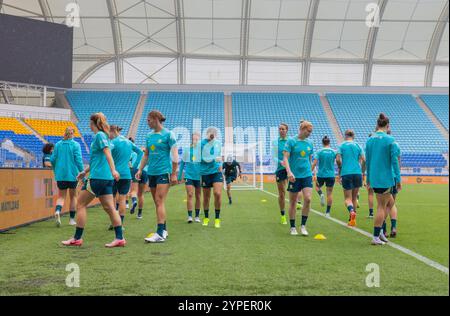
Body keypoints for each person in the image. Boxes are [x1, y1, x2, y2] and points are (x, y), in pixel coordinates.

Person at [62, 113, 125, 248]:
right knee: (109, 207)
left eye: (90, 123)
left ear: (94, 123)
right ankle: (119, 238)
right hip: (106, 178)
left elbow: (108, 154)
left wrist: (114, 170)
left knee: (80, 205)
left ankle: (77, 238)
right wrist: (84, 172)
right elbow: (98, 159)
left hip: (98, 178)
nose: (89, 126)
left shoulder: (100, 136)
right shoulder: (105, 136)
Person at [136, 110, 178, 243]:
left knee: (159, 201)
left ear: (155, 119)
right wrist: (140, 169)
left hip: (163, 172)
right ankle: (164, 230)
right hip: (151, 173)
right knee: (157, 202)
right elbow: (146, 155)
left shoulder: (169, 134)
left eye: (148, 120)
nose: (147, 122)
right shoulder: (148, 136)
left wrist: (174, 173)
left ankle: (159, 233)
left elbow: (175, 156)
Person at [366, 113, 401, 246]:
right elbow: (394, 162)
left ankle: (380, 232)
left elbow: (368, 161)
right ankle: (375, 236)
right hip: (386, 178)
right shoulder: (390, 140)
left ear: (377, 125)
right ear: (387, 125)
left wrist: (368, 178)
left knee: (390, 203)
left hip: (375, 177)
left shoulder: (370, 140)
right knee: (382, 206)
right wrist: (398, 179)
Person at [283, 120, 314, 236]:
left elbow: (310, 158)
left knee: (308, 199)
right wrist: (289, 172)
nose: (310, 133)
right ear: (302, 129)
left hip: (306, 175)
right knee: (293, 202)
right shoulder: (291, 141)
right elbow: (285, 158)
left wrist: (312, 171)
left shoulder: (310, 143)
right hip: (294, 176)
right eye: (308, 131)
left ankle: (303, 226)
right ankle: (292, 227)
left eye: (311, 132)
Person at [109, 125, 143, 229]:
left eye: (109, 133)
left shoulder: (113, 142)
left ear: (113, 131)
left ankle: (114, 222)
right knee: (123, 199)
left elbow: (106, 155)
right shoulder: (129, 142)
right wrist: (135, 166)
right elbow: (140, 152)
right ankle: (121, 224)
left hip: (114, 174)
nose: (108, 136)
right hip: (126, 174)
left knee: (113, 198)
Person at [50, 127, 84, 227]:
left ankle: (57, 211)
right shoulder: (75, 145)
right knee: (73, 197)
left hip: (60, 175)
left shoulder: (58, 144)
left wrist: (56, 168)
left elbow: (52, 159)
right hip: (73, 175)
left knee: (61, 197)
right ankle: (72, 219)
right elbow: (78, 160)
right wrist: (82, 172)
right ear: (73, 134)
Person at [336, 130, 365, 227]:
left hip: (346, 173)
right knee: (354, 197)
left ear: (345, 136)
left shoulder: (342, 145)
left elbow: (337, 159)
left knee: (347, 199)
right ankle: (352, 220)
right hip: (357, 173)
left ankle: (351, 211)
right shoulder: (358, 146)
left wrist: (340, 167)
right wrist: (362, 171)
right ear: (354, 136)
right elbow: (364, 160)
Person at [200, 127, 223, 228]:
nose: (212, 136)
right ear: (207, 134)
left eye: (214, 135)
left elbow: (219, 156)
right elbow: (201, 158)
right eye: (210, 134)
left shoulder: (218, 143)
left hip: (216, 171)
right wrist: (213, 158)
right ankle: (206, 217)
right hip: (205, 173)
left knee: (217, 193)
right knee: (206, 197)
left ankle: (217, 218)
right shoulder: (201, 144)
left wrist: (220, 164)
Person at [178, 132, 202, 223]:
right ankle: (190, 216)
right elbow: (182, 164)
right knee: (190, 194)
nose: (195, 140)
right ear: (191, 140)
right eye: (194, 139)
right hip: (189, 176)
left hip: (199, 177)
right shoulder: (187, 150)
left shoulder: (201, 151)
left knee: (198, 196)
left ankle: (197, 216)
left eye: (197, 139)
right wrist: (180, 176)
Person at [311, 136, 337, 217]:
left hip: (321, 174)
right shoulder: (334, 152)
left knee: (317, 188)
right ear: (329, 142)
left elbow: (314, 163)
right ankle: (328, 212)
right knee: (329, 193)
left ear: (322, 143)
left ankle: (321, 194)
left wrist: (310, 172)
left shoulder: (319, 152)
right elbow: (339, 160)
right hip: (331, 175)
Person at [272, 123, 289, 225]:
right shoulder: (275, 142)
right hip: (280, 169)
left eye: (283, 129)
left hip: (290, 169)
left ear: (287, 130)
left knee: (293, 193)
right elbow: (273, 156)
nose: (281, 130)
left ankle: (292, 212)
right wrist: (280, 161)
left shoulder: (291, 141)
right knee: (282, 193)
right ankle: (283, 215)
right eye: (280, 129)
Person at [130, 147, 148, 219]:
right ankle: (139, 214)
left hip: (135, 170)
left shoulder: (135, 153)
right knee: (141, 194)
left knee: (133, 191)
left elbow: (128, 160)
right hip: (145, 171)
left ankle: (134, 201)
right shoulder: (147, 154)